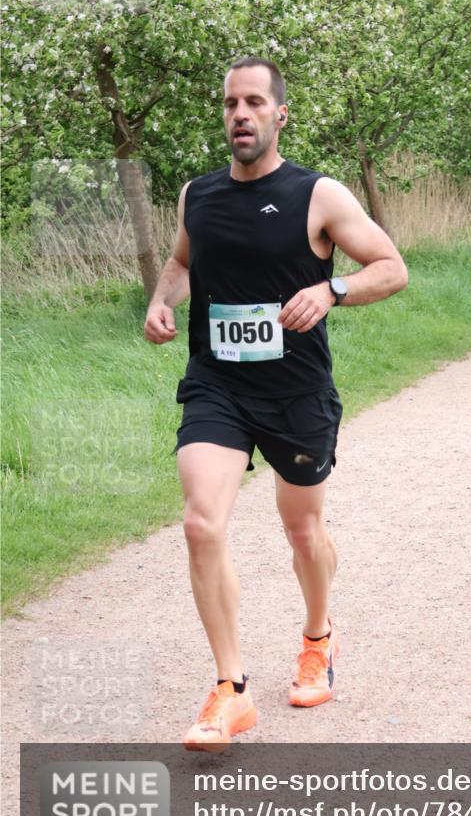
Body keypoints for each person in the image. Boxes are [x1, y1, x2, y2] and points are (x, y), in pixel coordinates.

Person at [143, 57, 408, 752]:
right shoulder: (196, 196)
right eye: (230, 103)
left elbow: (390, 267)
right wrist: (160, 301)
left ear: (278, 114)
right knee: (202, 523)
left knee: (302, 530)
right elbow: (181, 261)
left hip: (295, 392)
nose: (239, 114)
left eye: (254, 102)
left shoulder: (318, 195)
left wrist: (332, 292)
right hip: (216, 385)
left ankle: (318, 637)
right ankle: (231, 690)